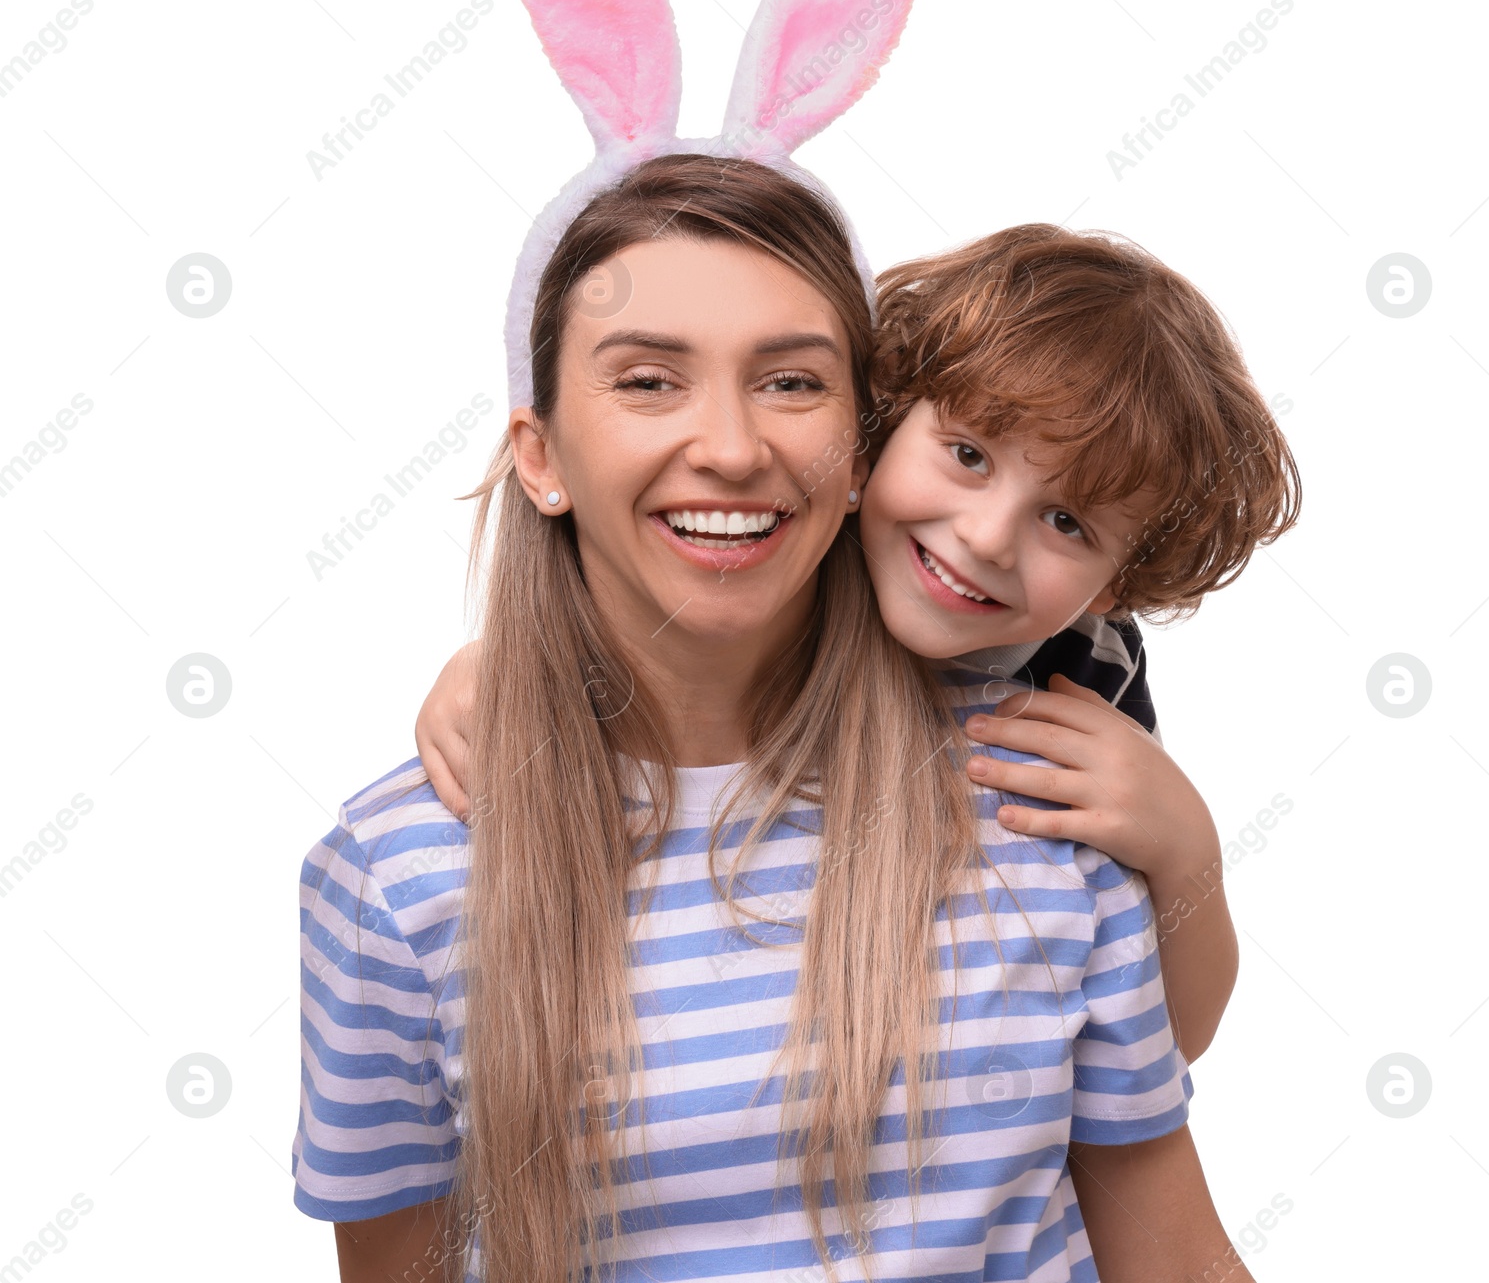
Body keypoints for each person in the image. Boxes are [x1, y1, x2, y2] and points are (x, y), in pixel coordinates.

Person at [292, 154, 1255, 1282]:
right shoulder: (397, 877)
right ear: (538, 456)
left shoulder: (1055, 759)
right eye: (648, 380)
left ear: (850, 443)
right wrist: (505, 675)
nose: (735, 448)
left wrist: (1186, 850)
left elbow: (1175, 1220)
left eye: (791, 384)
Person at [414, 220, 1301, 1062]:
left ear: (1115, 581)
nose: (988, 537)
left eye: (1066, 520)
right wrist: (500, 664)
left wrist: (1187, 853)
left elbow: (1164, 1042)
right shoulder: (794, 542)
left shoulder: (1085, 669)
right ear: (874, 431)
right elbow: (640, 597)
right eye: (968, 455)